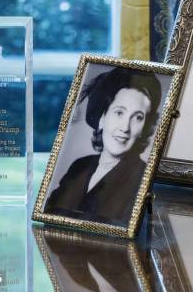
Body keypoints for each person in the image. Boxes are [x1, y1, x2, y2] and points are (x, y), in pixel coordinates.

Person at [44, 67, 161, 226]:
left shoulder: (141, 177)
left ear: (144, 127)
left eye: (138, 118)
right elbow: (51, 211)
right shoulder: (80, 166)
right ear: (102, 118)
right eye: (119, 113)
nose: (125, 128)